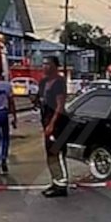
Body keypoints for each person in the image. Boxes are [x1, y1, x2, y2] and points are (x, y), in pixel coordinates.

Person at [38, 56, 69, 198]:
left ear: (55, 66)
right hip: (46, 121)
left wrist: (52, 124)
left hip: (58, 124)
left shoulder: (59, 82)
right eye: (43, 64)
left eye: (48, 64)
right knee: (50, 153)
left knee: (57, 153)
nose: (44, 67)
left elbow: (60, 106)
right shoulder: (43, 82)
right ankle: (55, 181)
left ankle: (62, 185)